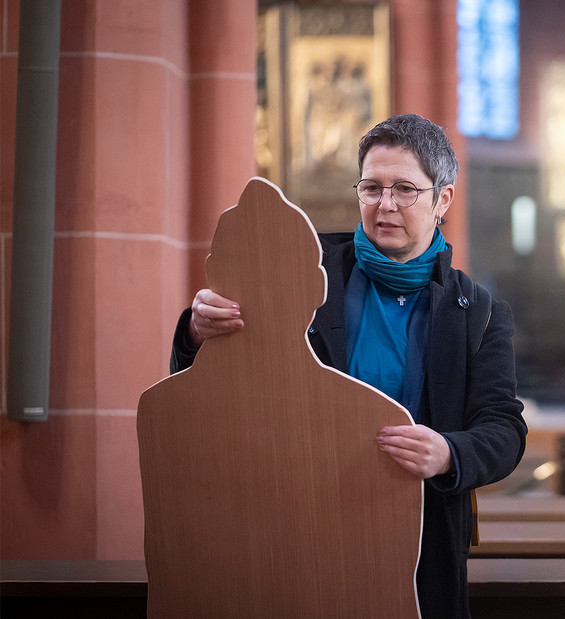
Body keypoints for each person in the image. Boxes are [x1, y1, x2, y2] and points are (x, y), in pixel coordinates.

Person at [169, 113, 527, 618]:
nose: (385, 205)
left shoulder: (480, 312)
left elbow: (504, 429)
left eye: (405, 189)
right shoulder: (296, 271)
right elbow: (215, 387)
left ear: (442, 199)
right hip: (291, 524)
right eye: (371, 187)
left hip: (418, 536)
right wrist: (196, 332)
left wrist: (449, 452)